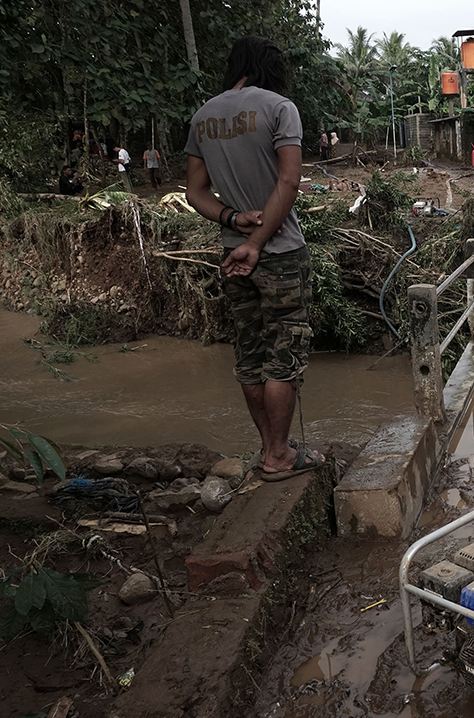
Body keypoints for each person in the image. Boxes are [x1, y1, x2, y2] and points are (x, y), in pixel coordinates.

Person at [185, 35, 323, 481]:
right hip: (278, 253)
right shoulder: (280, 108)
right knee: (284, 355)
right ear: (271, 66)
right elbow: (289, 182)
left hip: (232, 254)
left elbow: (195, 192)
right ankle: (280, 456)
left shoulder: (203, 116)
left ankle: (270, 448)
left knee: (250, 354)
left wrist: (232, 220)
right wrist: (260, 241)